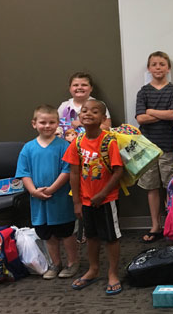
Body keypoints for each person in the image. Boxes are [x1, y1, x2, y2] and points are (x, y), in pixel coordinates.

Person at [63, 99, 124, 295]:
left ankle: (113, 273)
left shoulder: (108, 141)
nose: (88, 114)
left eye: (95, 111)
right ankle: (93, 269)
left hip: (105, 199)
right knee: (91, 236)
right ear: (79, 116)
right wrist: (77, 202)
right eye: (85, 110)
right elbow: (74, 173)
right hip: (86, 200)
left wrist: (103, 193)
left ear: (103, 118)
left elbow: (118, 171)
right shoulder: (77, 143)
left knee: (111, 237)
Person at [15, 104, 78, 279]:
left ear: (58, 123)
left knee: (66, 232)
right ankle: (55, 263)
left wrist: (52, 189)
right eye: (43, 122)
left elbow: (67, 171)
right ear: (34, 124)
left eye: (52, 122)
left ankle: (72, 263)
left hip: (60, 200)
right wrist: (33, 192)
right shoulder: (28, 148)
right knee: (47, 233)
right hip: (38, 201)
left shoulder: (64, 146)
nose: (47, 126)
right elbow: (23, 172)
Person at [135, 51, 173, 243]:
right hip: (147, 148)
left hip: (168, 147)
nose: (158, 67)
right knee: (152, 187)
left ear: (168, 68)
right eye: (154, 64)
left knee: (170, 187)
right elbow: (140, 118)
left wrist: (151, 112)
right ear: (149, 68)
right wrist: (160, 114)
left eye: (162, 64)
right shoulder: (143, 92)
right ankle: (156, 225)